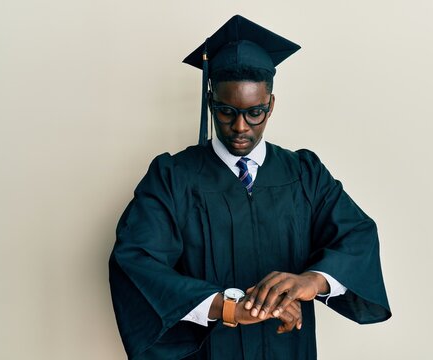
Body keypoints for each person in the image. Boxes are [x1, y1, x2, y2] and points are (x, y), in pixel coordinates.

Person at [109, 15, 391, 360]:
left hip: (289, 346)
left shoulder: (304, 172)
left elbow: (358, 235)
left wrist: (311, 282)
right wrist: (228, 307)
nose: (240, 127)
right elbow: (136, 259)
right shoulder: (173, 176)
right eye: (227, 112)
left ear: (270, 105)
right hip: (213, 349)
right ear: (211, 102)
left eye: (255, 112)